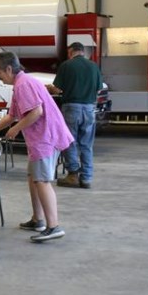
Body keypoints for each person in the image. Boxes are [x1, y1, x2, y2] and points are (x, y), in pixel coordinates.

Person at [0, 52, 74, 243]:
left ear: (9, 69)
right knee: (34, 178)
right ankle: (38, 219)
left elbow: (36, 112)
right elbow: (11, 115)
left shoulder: (23, 84)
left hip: (45, 138)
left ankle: (53, 226)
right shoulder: (21, 84)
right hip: (39, 139)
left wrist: (14, 130)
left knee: (42, 180)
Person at [48, 42, 103, 189]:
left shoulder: (67, 66)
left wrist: (48, 88)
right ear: (83, 52)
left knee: (69, 141)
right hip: (90, 109)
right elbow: (98, 89)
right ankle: (86, 178)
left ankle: (72, 175)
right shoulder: (94, 66)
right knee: (86, 144)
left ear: (71, 51)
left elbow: (58, 89)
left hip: (71, 108)